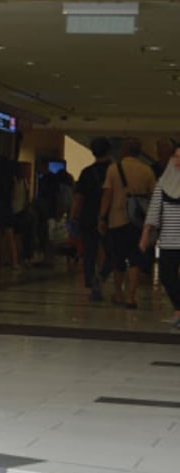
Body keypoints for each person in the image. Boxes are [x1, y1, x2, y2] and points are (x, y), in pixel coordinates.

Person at [98, 137, 156, 309]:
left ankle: (119, 293)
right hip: (139, 222)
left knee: (118, 259)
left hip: (117, 220)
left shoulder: (114, 169)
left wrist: (102, 217)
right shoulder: (147, 171)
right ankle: (131, 297)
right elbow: (153, 197)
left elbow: (107, 195)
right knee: (135, 259)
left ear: (123, 151)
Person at [139, 145, 180, 330]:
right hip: (170, 239)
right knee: (167, 276)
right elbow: (154, 210)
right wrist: (145, 234)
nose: (178, 161)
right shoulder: (163, 184)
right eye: (176, 157)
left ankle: (178, 313)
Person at [69, 137, 113, 301]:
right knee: (113, 252)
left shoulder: (87, 172)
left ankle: (91, 281)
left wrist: (73, 217)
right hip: (109, 217)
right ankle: (102, 276)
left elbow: (79, 197)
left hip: (87, 216)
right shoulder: (114, 170)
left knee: (89, 252)